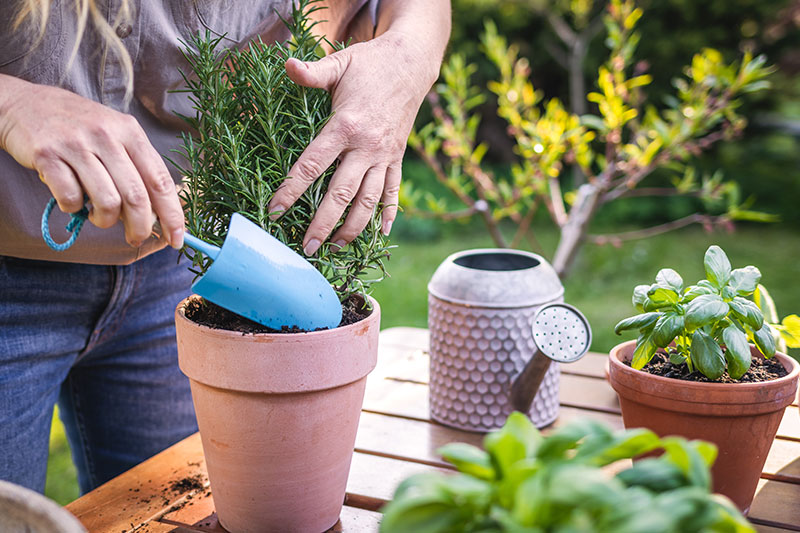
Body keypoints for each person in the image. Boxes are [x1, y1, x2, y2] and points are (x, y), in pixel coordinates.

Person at [0, 0, 451, 495]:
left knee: (174, 508)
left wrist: (407, 60)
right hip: (10, 266)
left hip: (186, 267)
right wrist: (11, 104)